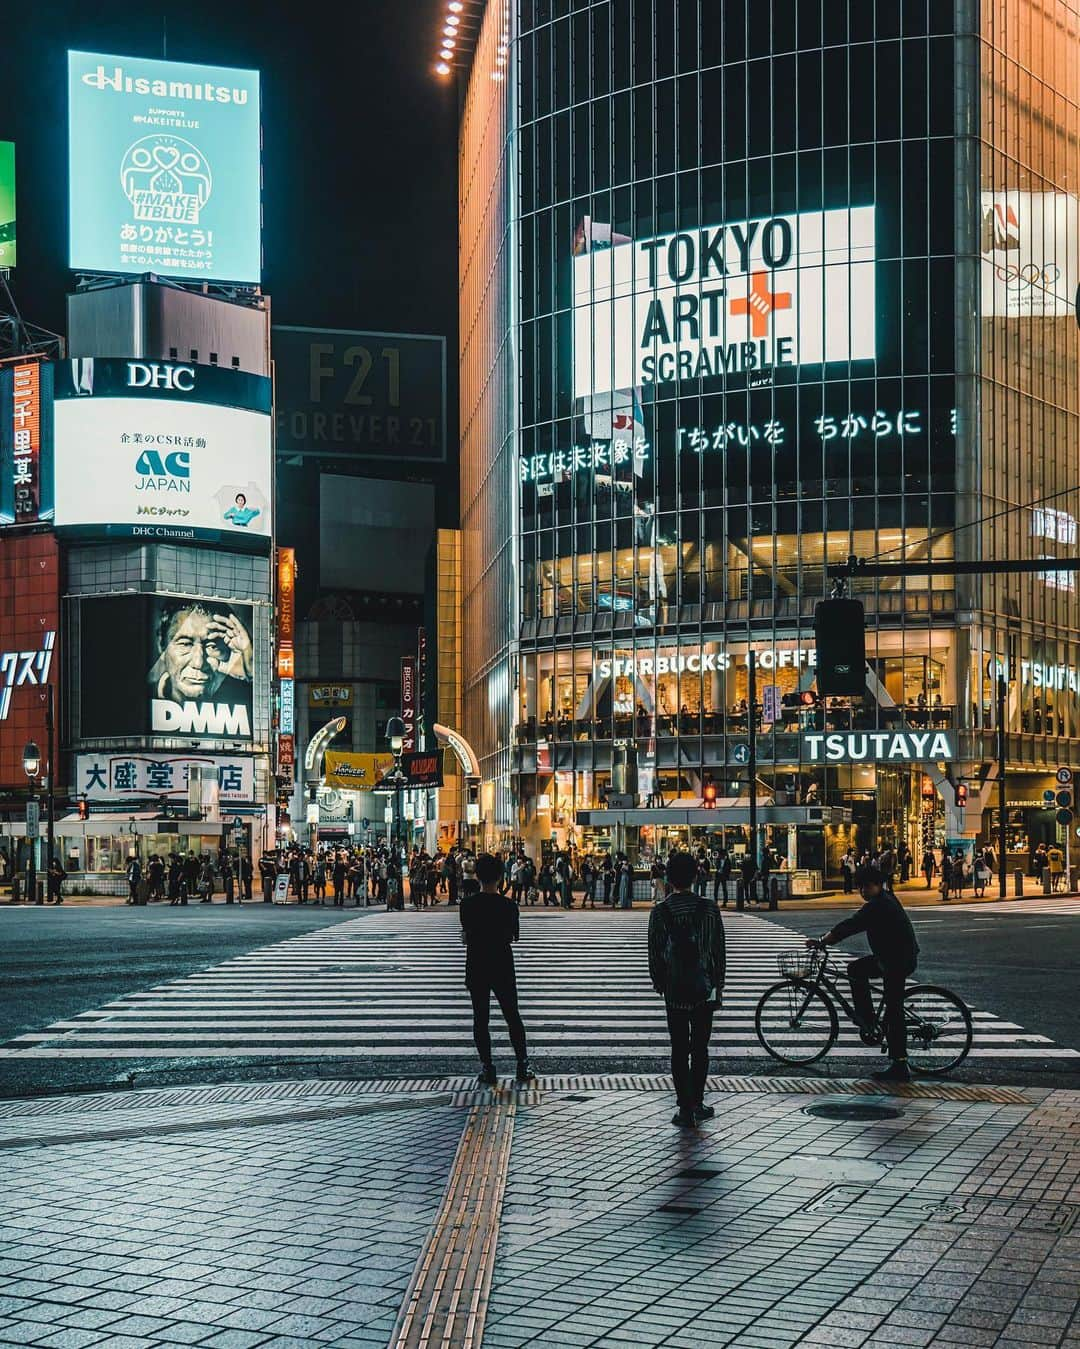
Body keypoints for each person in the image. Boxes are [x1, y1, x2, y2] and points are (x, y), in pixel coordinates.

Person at [812, 864, 920, 1083]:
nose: (863, 891)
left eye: (867, 886)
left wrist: (823, 941)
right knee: (855, 969)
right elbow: (854, 924)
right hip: (891, 956)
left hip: (897, 960)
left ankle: (900, 1064)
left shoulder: (878, 905)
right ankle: (868, 1020)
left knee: (893, 1009)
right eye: (860, 887)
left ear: (878, 885)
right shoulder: (884, 898)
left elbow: (851, 925)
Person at [648, 851, 727, 1128]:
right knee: (701, 1048)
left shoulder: (660, 912)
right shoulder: (709, 909)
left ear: (668, 878)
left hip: (675, 991)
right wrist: (719, 987)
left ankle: (684, 1108)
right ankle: (697, 1101)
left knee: (679, 1048)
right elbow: (719, 951)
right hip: (703, 990)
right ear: (696, 876)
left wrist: (661, 984)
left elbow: (655, 954)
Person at [459, 852, 534, 1086]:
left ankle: (488, 1068)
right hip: (502, 963)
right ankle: (522, 1064)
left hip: (477, 964)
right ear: (501, 877)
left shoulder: (467, 905)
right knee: (512, 1015)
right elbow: (514, 936)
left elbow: (465, 937)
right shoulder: (508, 905)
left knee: (480, 1019)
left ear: (477, 876)